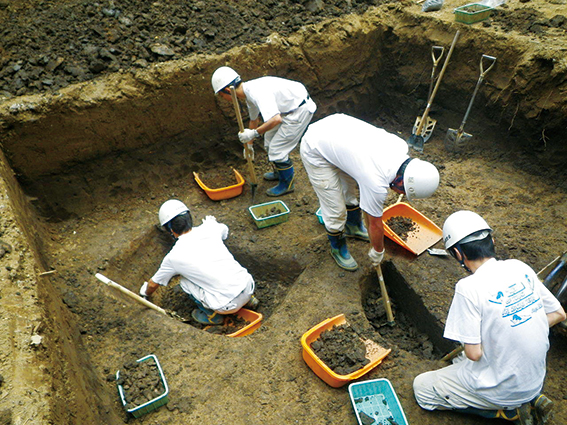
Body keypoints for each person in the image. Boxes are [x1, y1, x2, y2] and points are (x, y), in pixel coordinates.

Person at [413, 210, 566, 425]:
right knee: (462, 362)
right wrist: (516, 326)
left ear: (458, 254)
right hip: (534, 380)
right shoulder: (519, 267)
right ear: (491, 241)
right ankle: (530, 399)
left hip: (505, 389)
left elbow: (474, 354)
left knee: (422, 389)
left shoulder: (468, 288)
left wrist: (496, 337)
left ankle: (507, 413)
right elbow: (559, 314)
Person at [299, 113, 440, 271]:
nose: (401, 194)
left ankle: (353, 226)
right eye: (403, 191)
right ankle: (337, 247)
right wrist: (378, 250)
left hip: (338, 132)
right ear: (401, 182)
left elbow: (370, 209)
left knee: (348, 191)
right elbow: (374, 224)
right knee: (335, 209)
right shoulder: (376, 182)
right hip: (316, 146)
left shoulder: (400, 146)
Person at [139, 199, 259, 325]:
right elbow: (224, 231)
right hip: (249, 286)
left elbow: (153, 285)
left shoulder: (173, 257)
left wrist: (144, 292)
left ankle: (212, 316)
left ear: (170, 230)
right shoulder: (210, 228)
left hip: (226, 306)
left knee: (184, 282)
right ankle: (249, 300)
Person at [211, 66, 316, 196]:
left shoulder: (257, 92)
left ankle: (287, 185)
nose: (223, 98)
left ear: (227, 90)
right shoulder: (248, 92)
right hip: (287, 109)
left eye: (221, 95)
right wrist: (249, 145)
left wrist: (254, 133)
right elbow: (254, 121)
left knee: (277, 150)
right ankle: (280, 172)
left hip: (299, 111)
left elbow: (275, 119)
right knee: (269, 141)